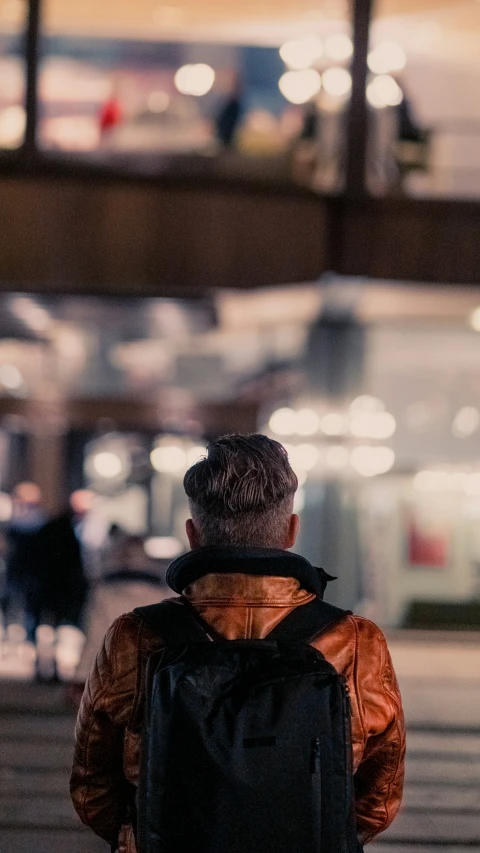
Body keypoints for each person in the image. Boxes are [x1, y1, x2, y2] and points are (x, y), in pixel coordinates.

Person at [71, 434, 405, 853]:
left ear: (193, 534)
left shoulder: (135, 635)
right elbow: (381, 795)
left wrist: (145, 832)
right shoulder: (355, 640)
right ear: (291, 530)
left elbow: (91, 787)